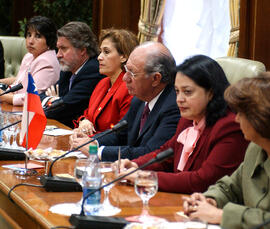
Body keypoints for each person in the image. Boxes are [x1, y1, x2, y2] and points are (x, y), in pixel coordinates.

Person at [117, 55, 249, 193]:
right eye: (177, 91)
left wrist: (143, 177)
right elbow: (167, 154)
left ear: (211, 93)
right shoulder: (188, 119)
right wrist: (135, 165)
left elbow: (202, 181)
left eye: (187, 92)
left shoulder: (230, 127)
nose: (179, 99)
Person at [183, 72, 270, 229]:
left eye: (241, 113)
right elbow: (231, 186)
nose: (236, 119)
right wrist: (210, 200)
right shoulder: (255, 148)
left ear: (260, 117)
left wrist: (221, 215)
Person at [70, 41, 180, 161]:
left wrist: (97, 151)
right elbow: (119, 134)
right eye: (126, 70)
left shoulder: (173, 107)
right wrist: (92, 141)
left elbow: (150, 153)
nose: (124, 78)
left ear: (155, 78)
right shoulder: (139, 99)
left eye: (132, 73)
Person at [74, 28, 138, 135]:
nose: (99, 57)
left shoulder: (128, 88)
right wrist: (83, 121)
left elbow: (120, 135)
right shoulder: (102, 83)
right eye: (100, 52)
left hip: (106, 148)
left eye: (106, 52)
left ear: (124, 57)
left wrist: (88, 138)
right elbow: (87, 114)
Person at [41, 21, 104, 128]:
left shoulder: (93, 71)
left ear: (82, 50)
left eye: (63, 49)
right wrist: (52, 100)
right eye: (58, 49)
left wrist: (57, 102)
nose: (58, 55)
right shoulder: (67, 70)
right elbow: (40, 96)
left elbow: (62, 109)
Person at [0, 16, 60, 105]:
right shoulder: (30, 56)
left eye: (38, 36)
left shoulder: (47, 63)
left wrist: (3, 96)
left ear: (49, 39)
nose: (30, 41)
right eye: (29, 35)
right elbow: (20, 81)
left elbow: (32, 98)